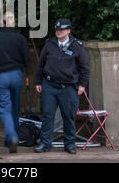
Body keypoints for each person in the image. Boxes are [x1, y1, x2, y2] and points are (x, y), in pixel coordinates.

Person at [34, 18, 90, 154]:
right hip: (49, 85)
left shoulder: (77, 46)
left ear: (68, 31)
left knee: (69, 116)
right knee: (47, 115)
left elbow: (85, 68)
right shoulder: (49, 44)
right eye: (57, 30)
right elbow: (41, 64)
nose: (59, 32)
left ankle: (69, 144)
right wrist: (38, 81)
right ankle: (45, 144)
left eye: (62, 29)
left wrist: (82, 85)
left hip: (69, 87)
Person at [0, 12, 29, 153]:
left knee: (4, 109)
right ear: (13, 23)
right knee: (15, 107)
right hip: (16, 75)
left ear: (1, 23)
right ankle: (10, 139)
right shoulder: (20, 38)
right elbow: (26, 59)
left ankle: (12, 136)